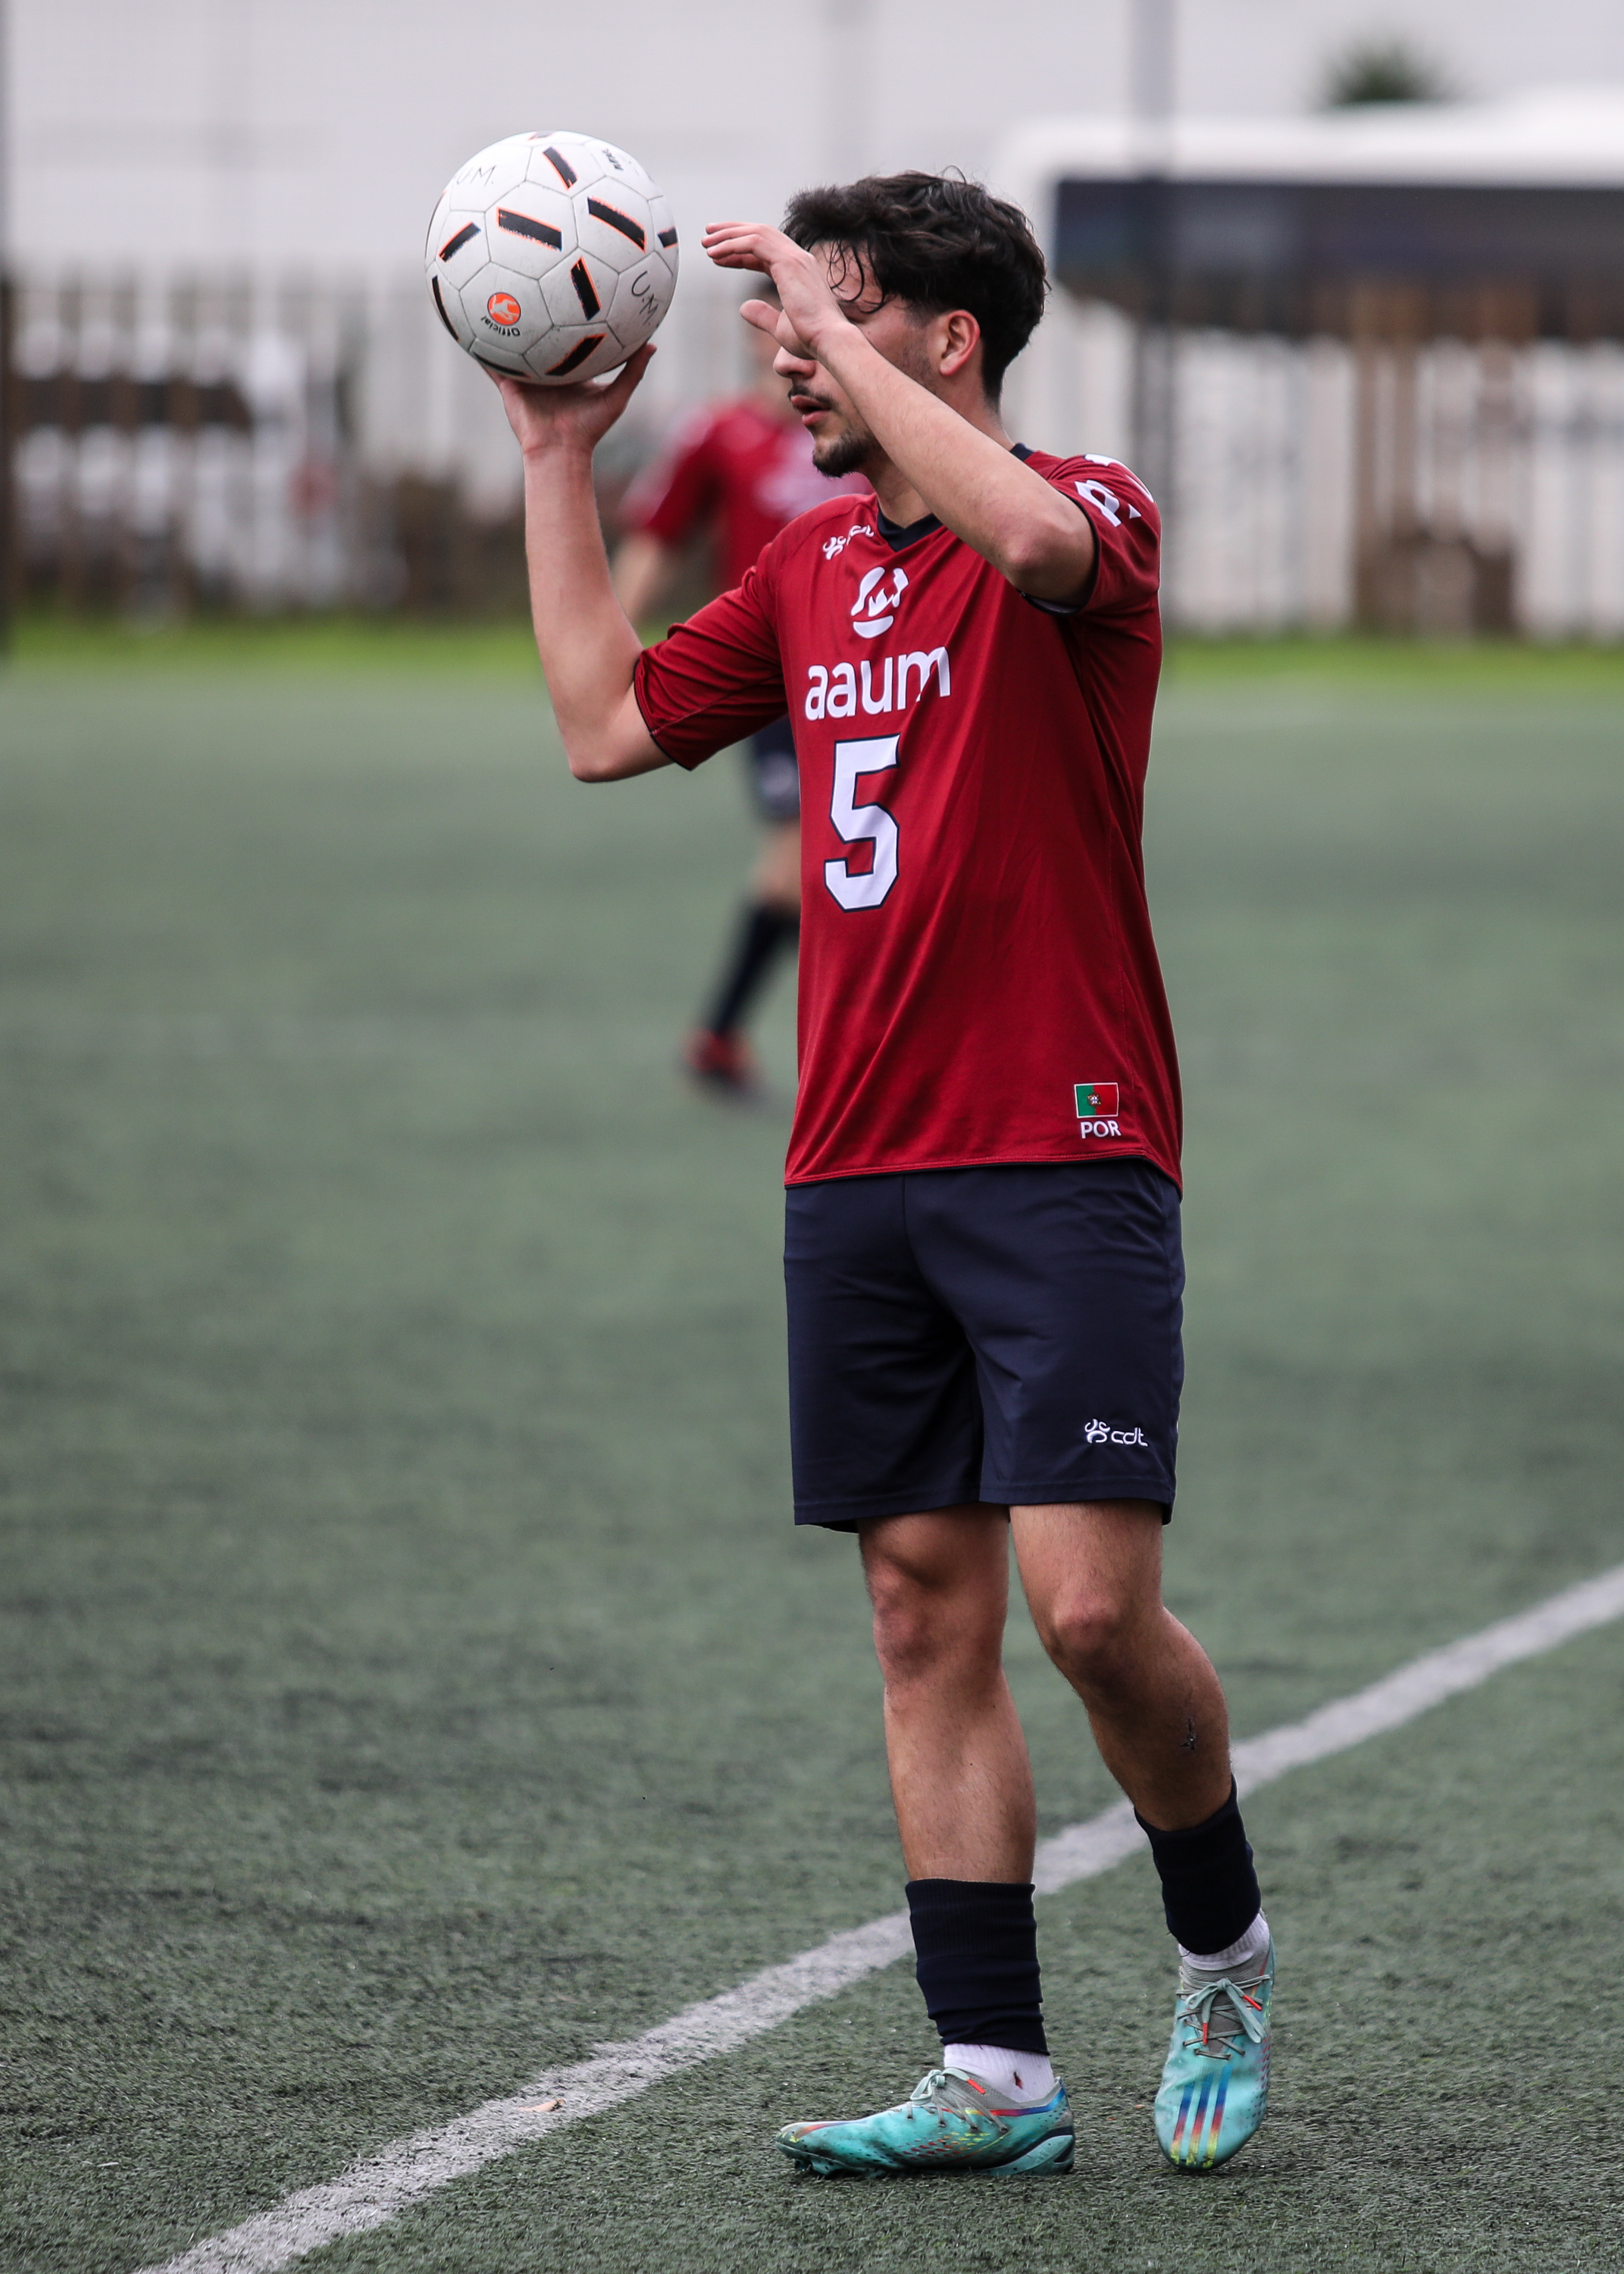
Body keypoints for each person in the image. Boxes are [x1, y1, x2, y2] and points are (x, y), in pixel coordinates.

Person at [487, 171, 1273, 2179]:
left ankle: (1220, 1946)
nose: (781, 350)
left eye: (830, 316)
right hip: (854, 1171)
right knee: (925, 1623)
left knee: (1091, 1618)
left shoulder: (1088, 508)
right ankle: (993, 2072)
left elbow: (1013, 531)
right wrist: (557, 456)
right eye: (784, 322)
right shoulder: (812, 564)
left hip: (1062, 1147)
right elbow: (597, 725)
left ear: (946, 338)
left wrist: (819, 330)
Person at [612, 283, 866, 1093]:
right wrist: (608, 653)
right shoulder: (716, 433)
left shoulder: (873, 429)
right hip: (780, 684)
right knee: (804, 864)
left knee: (856, 864)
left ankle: (739, 1038)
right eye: (770, 328)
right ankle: (724, 1036)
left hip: (881, 676)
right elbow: (656, 538)